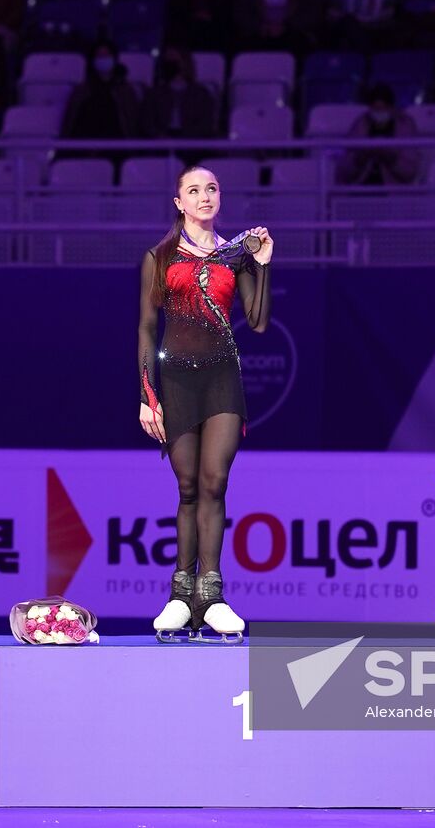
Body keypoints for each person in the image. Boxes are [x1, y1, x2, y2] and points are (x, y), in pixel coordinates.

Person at [138, 166, 273, 643]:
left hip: (222, 380)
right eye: (193, 190)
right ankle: (180, 596)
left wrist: (261, 263)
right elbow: (147, 330)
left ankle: (212, 596)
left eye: (212, 188)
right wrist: (146, 395)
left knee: (215, 482)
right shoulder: (160, 256)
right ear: (178, 202)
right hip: (174, 382)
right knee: (189, 487)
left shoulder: (234, 255)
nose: (204, 196)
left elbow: (256, 322)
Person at [336, 82, 420, 186]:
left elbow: (410, 172)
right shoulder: (360, 125)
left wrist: (390, 157)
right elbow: (344, 170)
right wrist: (361, 158)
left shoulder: (405, 127)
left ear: (392, 108)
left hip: (394, 192)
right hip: (361, 189)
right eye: (375, 109)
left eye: (383, 109)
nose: (379, 113)